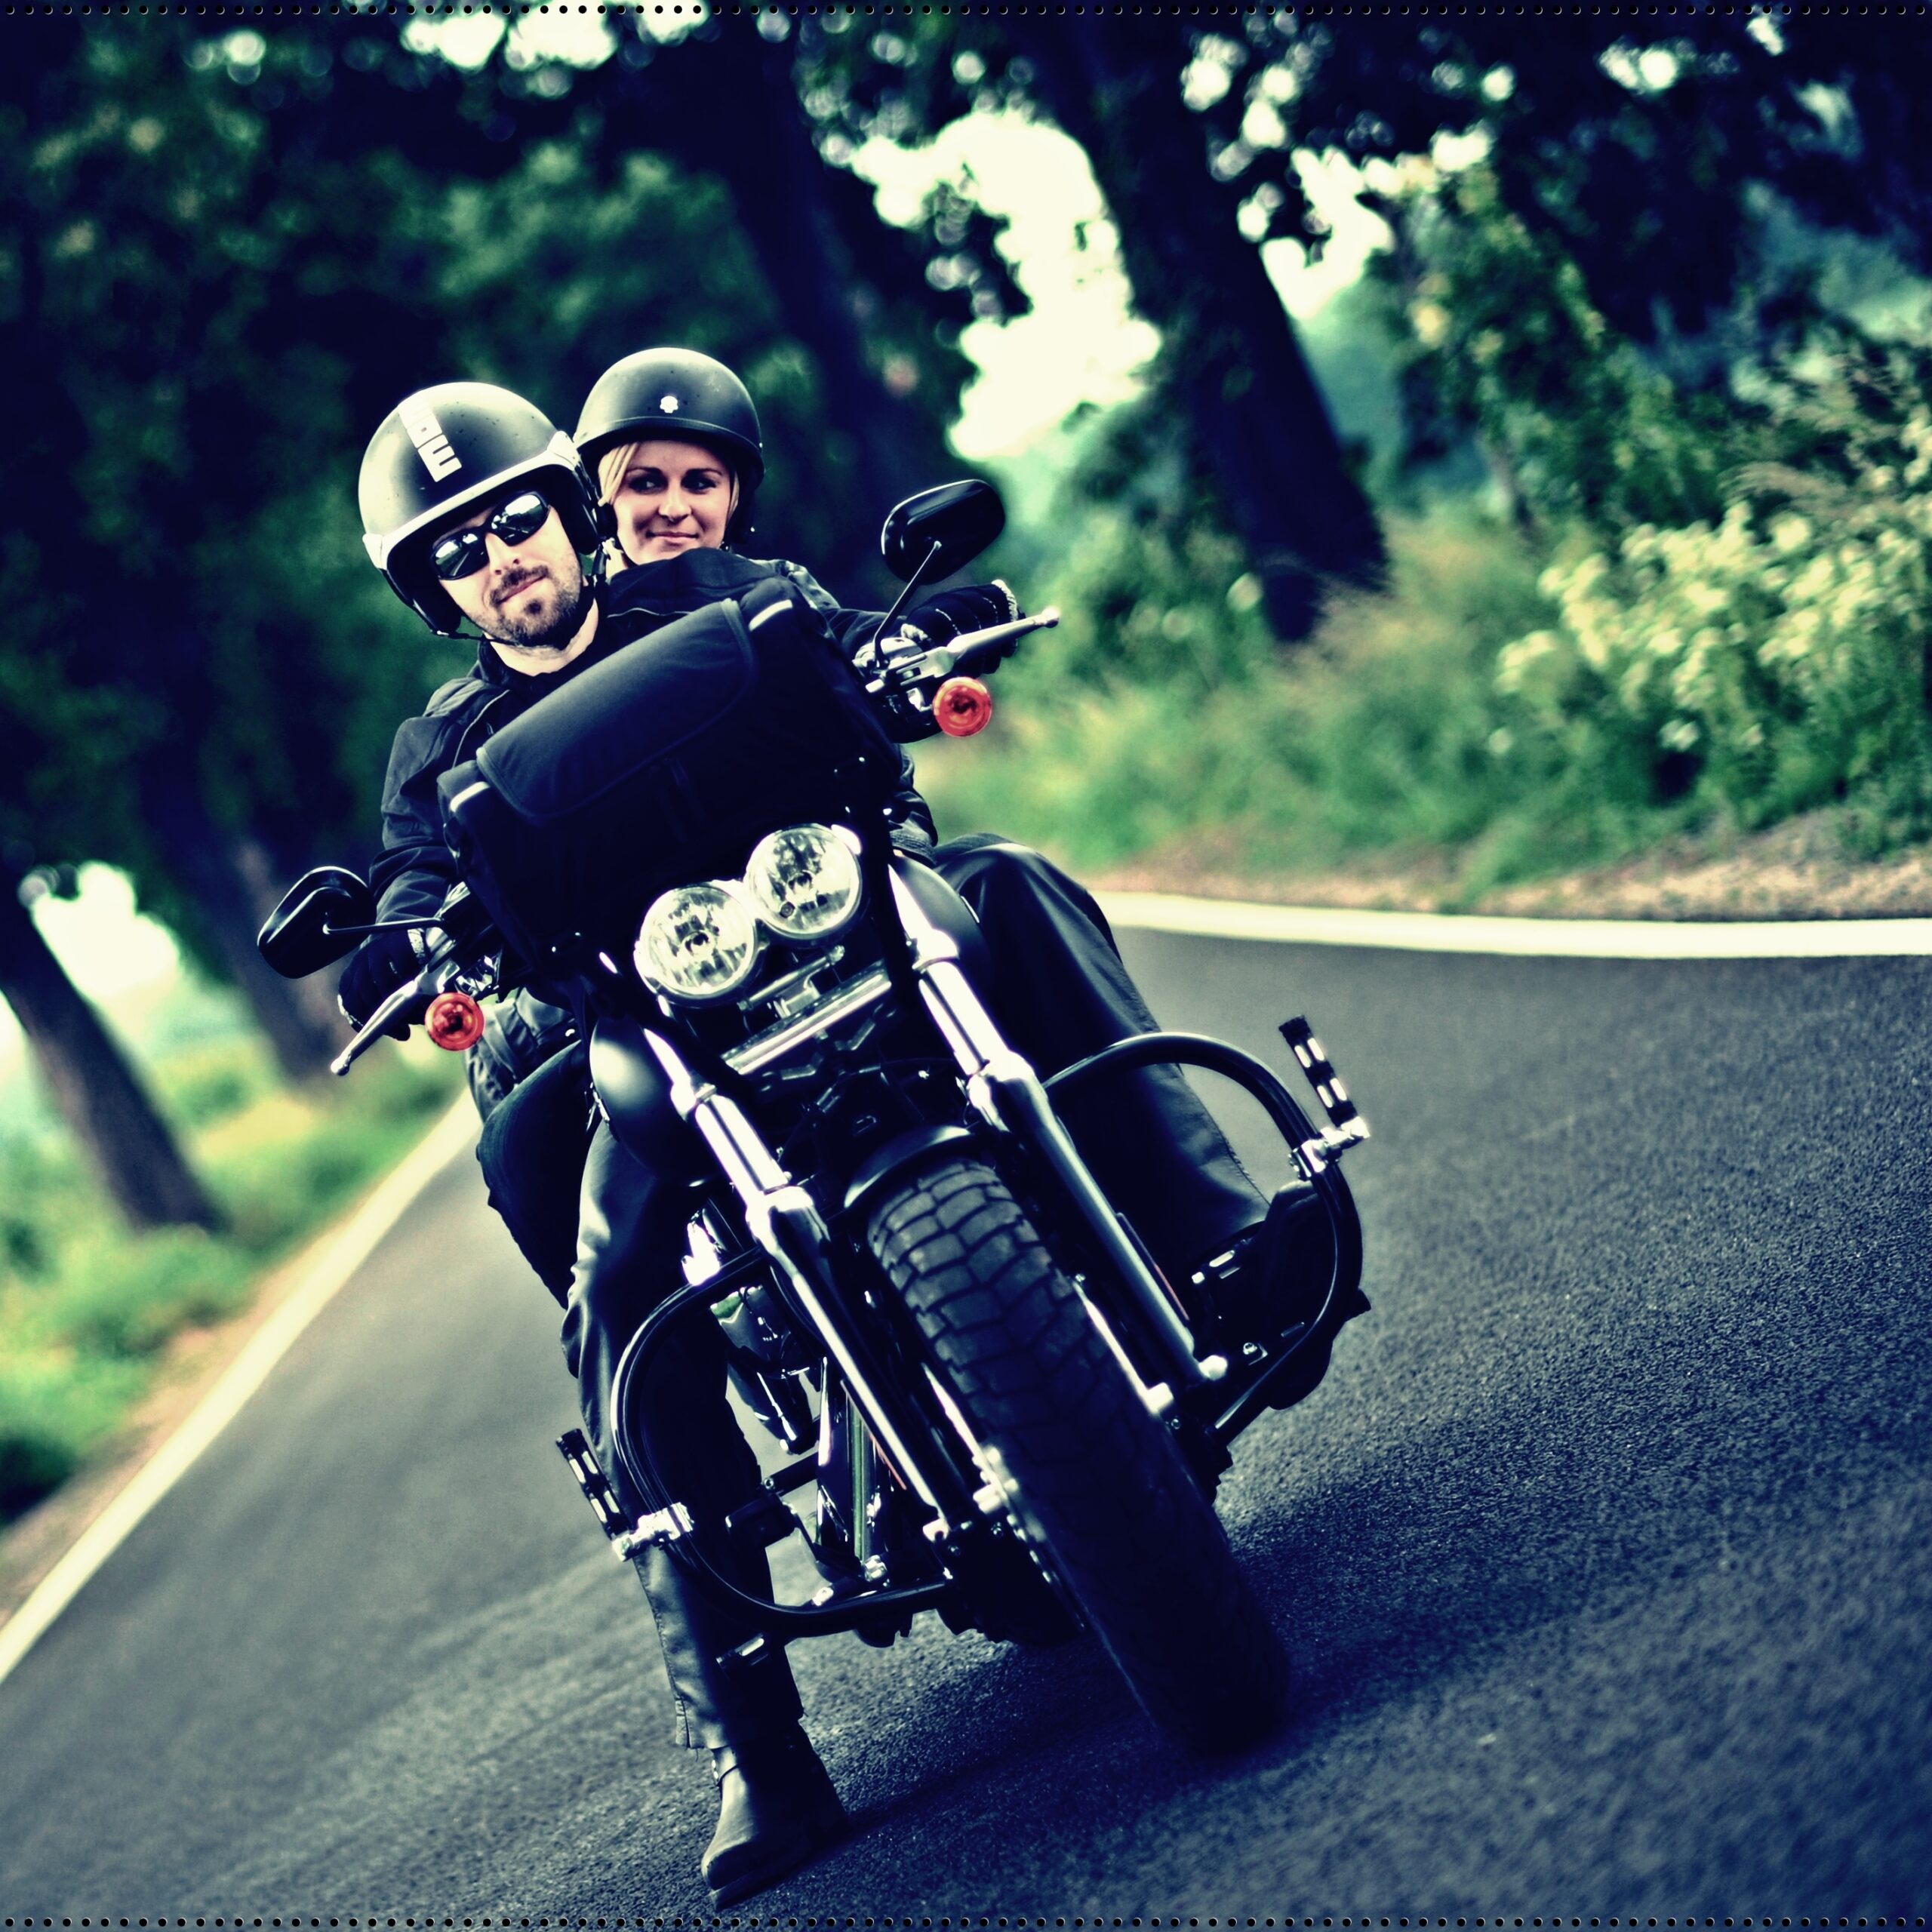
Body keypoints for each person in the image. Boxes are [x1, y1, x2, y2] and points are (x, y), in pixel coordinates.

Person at [343, 358, 1361, 1904]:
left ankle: (1220, 1242)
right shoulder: (441, 747)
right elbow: (413, 889)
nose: (502, 556)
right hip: (660, 1027)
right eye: (459, 549)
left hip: (851, 936)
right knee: (596, 1255)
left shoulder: (708, 588)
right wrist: (402, 946)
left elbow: (834, 645)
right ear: (434, 591)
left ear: (566, 508)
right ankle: (752, 1738)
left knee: (1012, 882)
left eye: (516, 518)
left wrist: (904, 645)